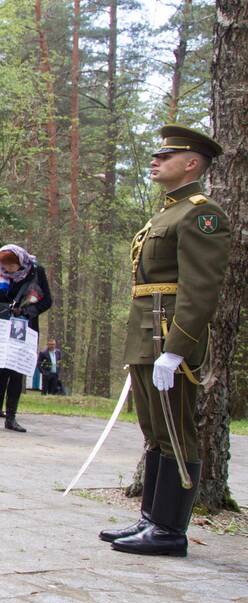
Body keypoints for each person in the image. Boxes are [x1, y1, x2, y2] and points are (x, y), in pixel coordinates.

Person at [101, 125, 229, 557]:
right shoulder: (165, 213)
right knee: (155, 430)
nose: (155, 161)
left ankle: (171, 530)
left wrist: (176, 348)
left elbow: (200, 289)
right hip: (145, 331)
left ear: (191, 163)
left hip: (169, 334)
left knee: (176, 429)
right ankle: (151, 518)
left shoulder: (201, 214)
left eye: (166, 156)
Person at [0, 244, 52, 432]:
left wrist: (27, 310)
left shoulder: (36, 272)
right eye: (4, 265)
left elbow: (47, 300)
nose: (6, 270)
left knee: (17, 372)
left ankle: (11, 417)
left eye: (10, 266)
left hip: (24, 326)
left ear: (20, 262)